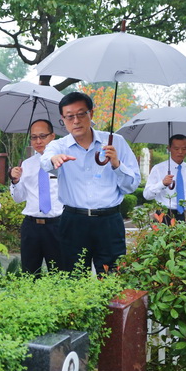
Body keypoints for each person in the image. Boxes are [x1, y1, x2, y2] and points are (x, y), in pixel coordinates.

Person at [41, 92, 140, 274]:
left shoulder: (115, 142)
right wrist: (54, 159)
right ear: (63, 119)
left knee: (113, 277)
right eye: (69, 116)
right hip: (73, 222)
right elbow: (46, 161)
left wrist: (117, 164)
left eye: (81, 114)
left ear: (91, 114)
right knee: (72, 279)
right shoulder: (59, 146)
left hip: (109, 222)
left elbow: (131, 185)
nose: (76, 121)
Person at [10, 119, 64, 274]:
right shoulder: (25, 165)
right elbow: (18, 198)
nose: (38, 141)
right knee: (30, 274)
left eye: (42, 136)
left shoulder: (62, 162)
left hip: (57, 226)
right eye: (34, 137)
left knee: (60, 274)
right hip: (31, 227)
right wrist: (15, 180)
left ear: (52, 136)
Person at [143, 134, 186, 223]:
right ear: (169, 148)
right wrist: (162, 184)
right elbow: (147, 195)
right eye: (176, 149)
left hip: (185, 215)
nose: (180, 152)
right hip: (164, 215)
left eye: (184, 148)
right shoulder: (158, 169)